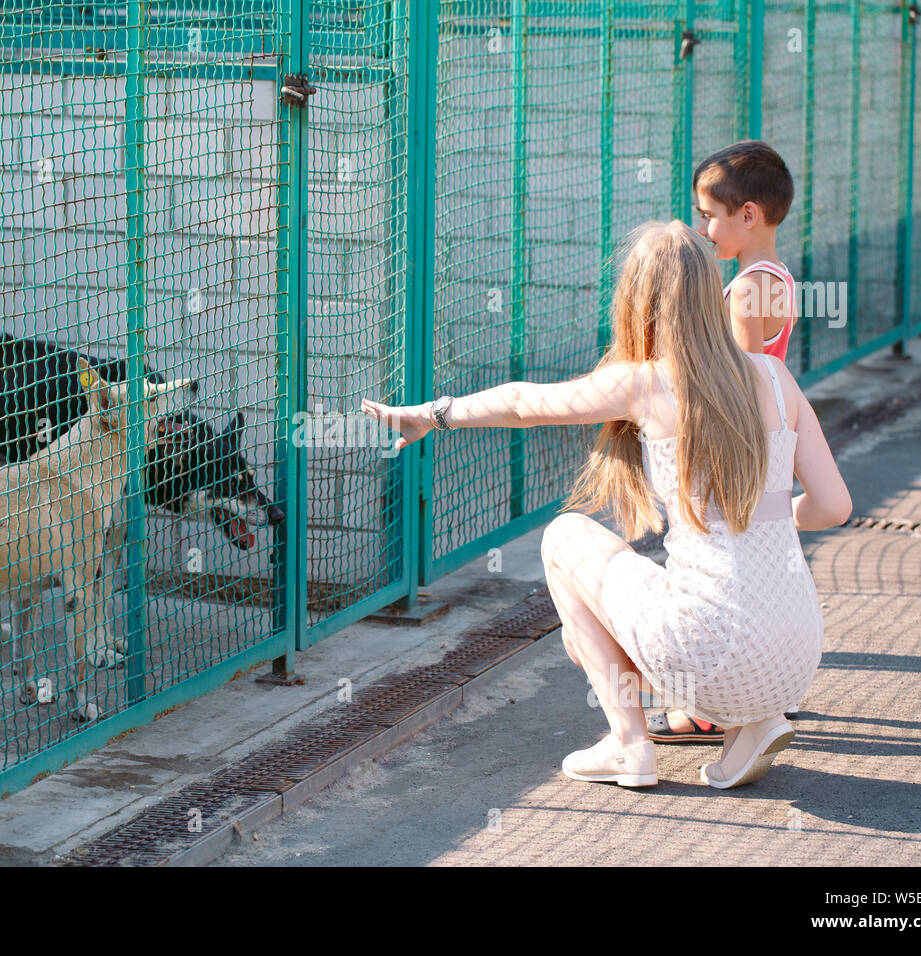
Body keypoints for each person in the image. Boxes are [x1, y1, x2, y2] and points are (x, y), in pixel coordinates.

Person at [360, 220, 851, 789]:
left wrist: (433, 413)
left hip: (710, 649)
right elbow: (834, 506)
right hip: (797, 655)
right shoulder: (775, 373)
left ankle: (628, 744)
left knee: (565, 539)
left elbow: (524, 404)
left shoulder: (648, 383)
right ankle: (752, 721)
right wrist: (767, 518)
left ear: (641, 299)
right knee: (717, 611)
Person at [648, 139, 801, 744]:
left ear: (749, 215)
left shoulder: (743, 291)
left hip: (737, 452)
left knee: (715, 579)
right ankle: (765, 693)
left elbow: (740, 381)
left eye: (710, 215)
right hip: (769, 450)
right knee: (762, 573)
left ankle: (710, 707)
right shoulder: (777, 276)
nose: (702, 227)